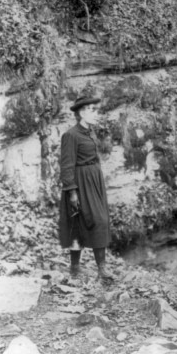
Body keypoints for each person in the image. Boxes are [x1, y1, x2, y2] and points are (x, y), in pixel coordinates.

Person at [59, 95, 114, 282]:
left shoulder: (89, 132)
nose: (95, 113)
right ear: (81, 113)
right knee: (80, 224)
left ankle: (101, 269)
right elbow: (66, 166)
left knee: (102, 220)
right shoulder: (70, 135)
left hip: (93, 182)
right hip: (79, 184)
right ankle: (75, 268)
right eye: (92, 110)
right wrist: (72, 192)